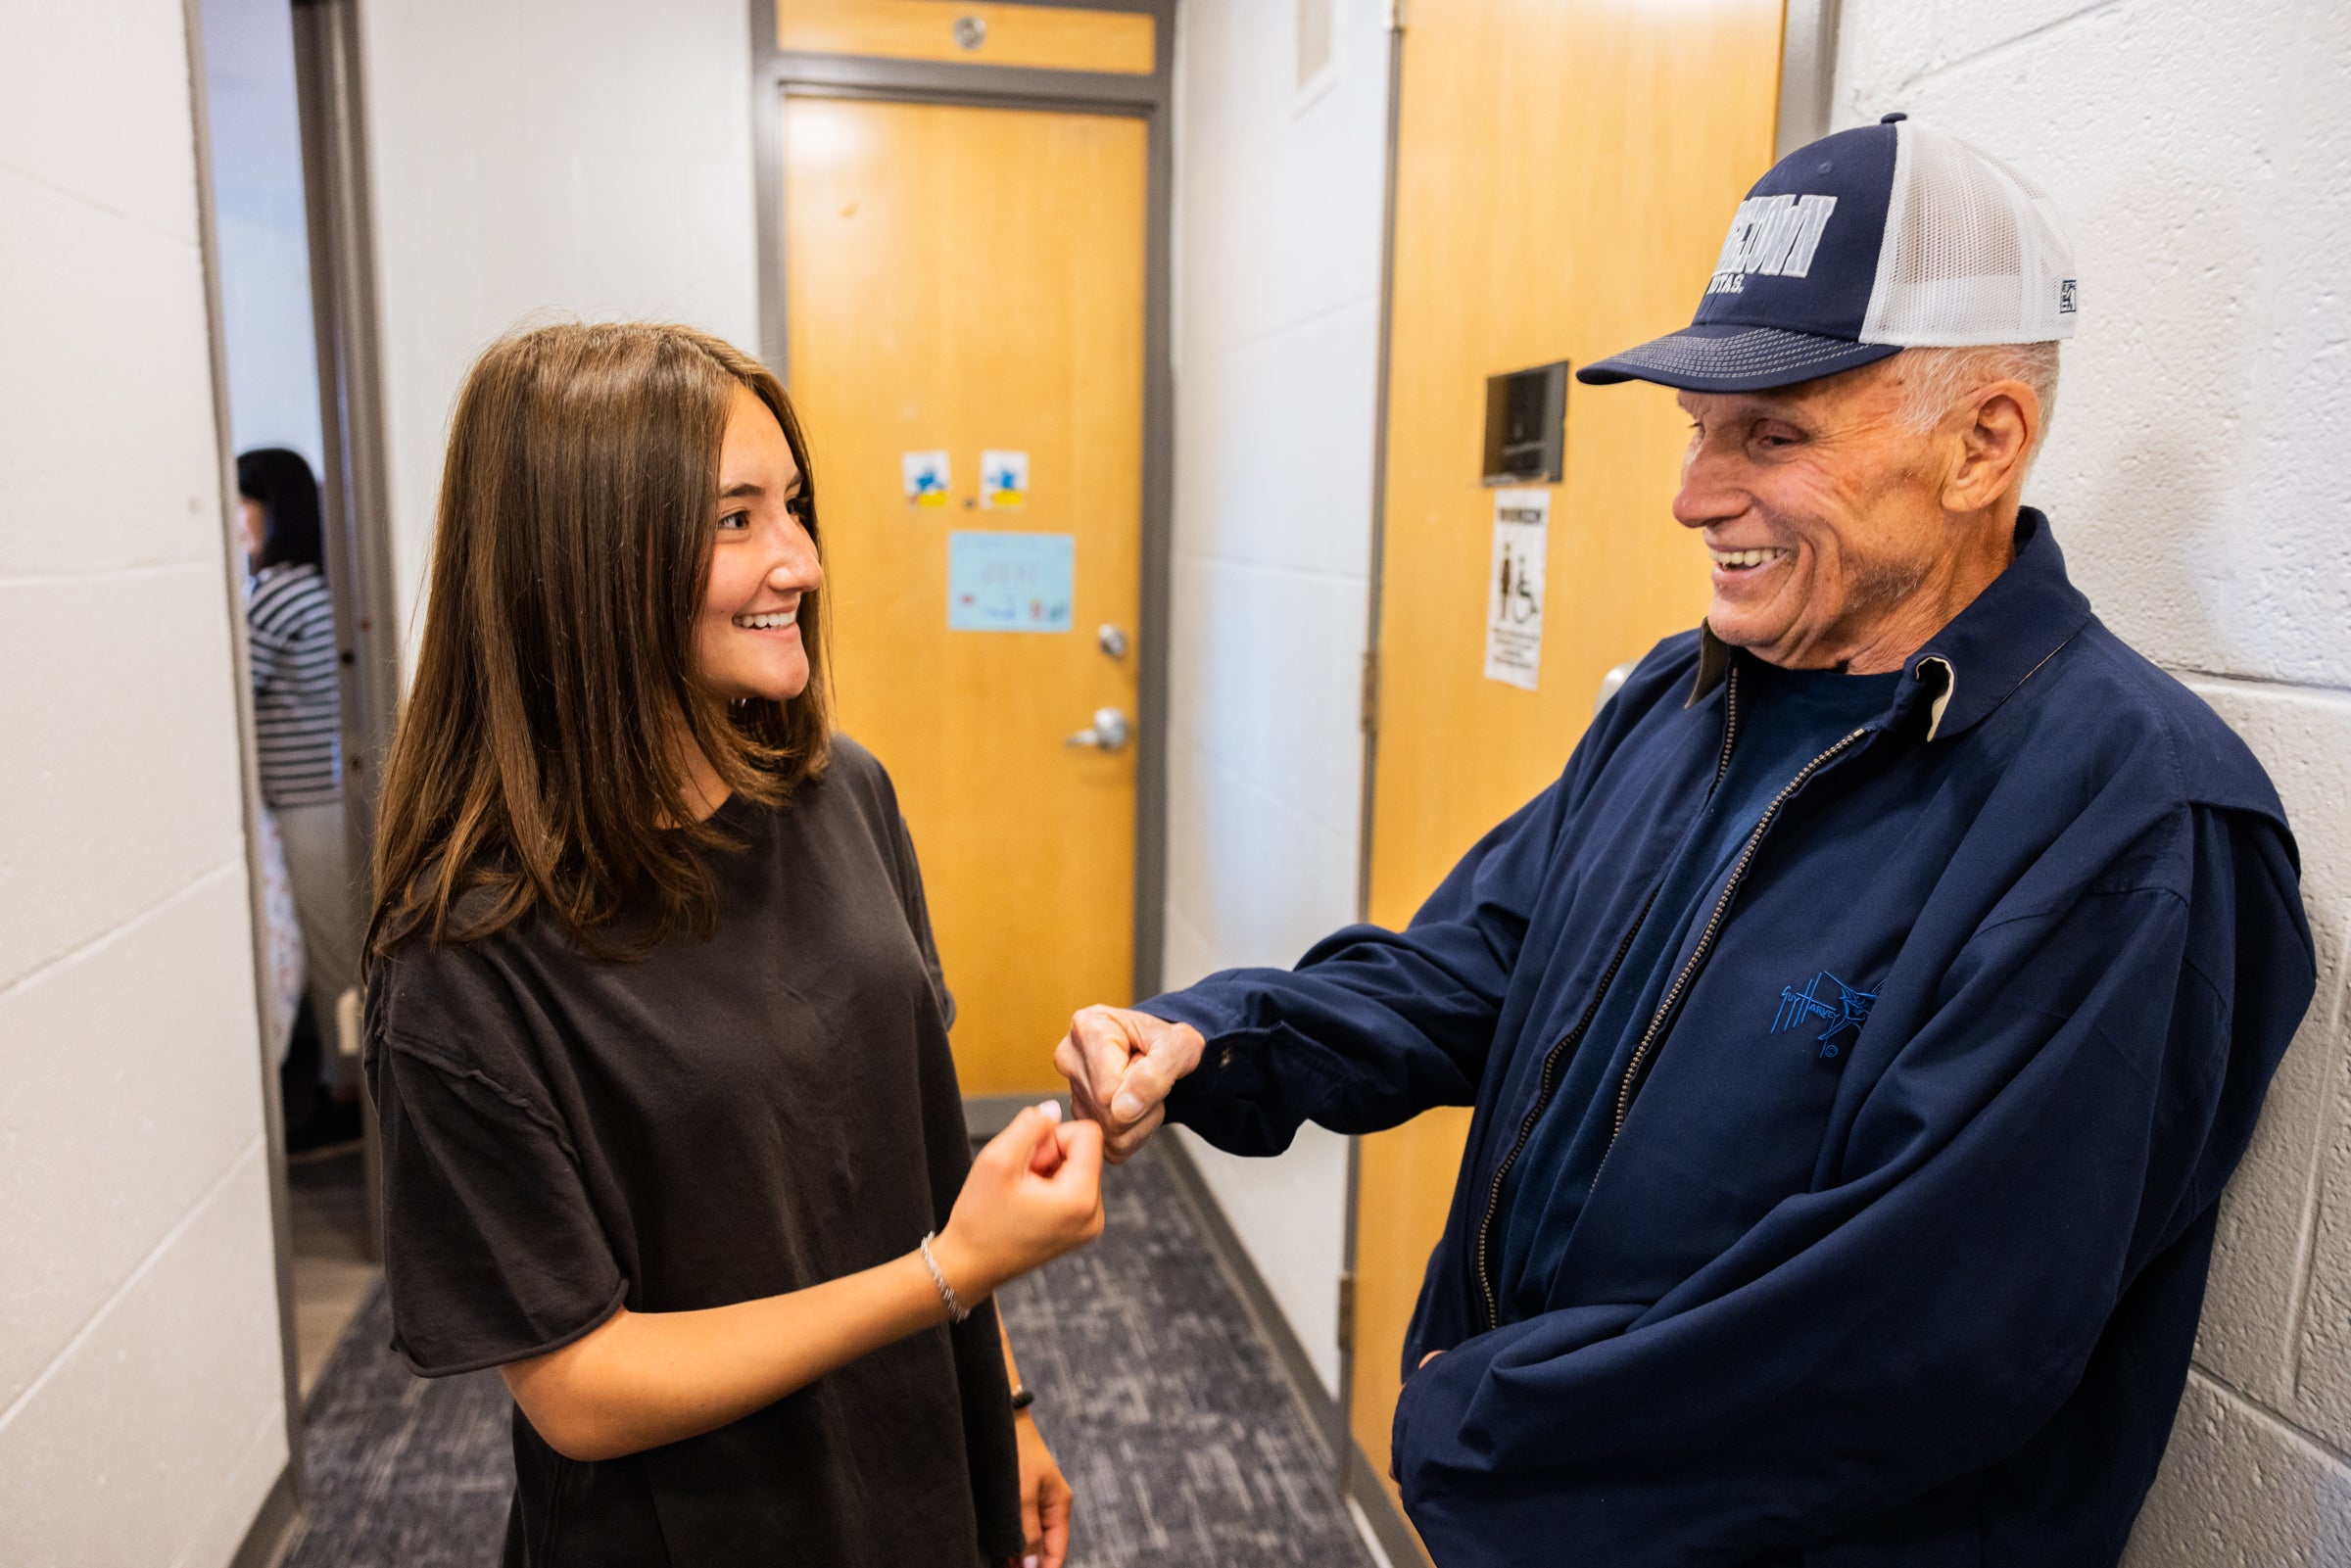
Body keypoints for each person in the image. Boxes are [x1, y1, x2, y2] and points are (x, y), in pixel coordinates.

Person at [1058, 119, 2316, 1565]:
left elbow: (1912, 1334)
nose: (1695, 495)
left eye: (1774, 434)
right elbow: (1488, 964)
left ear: (1985, 444)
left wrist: (1482, 1432)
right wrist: (1221, 1036)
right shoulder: (1688, 693)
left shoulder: (2132, 821)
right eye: (1698, 430)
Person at [364, 321, 1103, 1567]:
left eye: (796, 509)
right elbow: (583, 1389)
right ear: (584, 560)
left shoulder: (842, 795)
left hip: (919, 1466)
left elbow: (916, 1158)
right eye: (736, 519)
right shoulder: (463, 955)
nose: (802, 562)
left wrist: (1006, 1402)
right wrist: (944, 1273)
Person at [237, 447, 363, 1147]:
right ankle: (339, 1090)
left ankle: (345, 1100)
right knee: (328, 948)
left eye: (244, 502)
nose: (236, 519)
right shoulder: (311, 583)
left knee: (328, 955)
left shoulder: (280, 590)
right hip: (317, 797)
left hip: (308, 801)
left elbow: (229, 687)